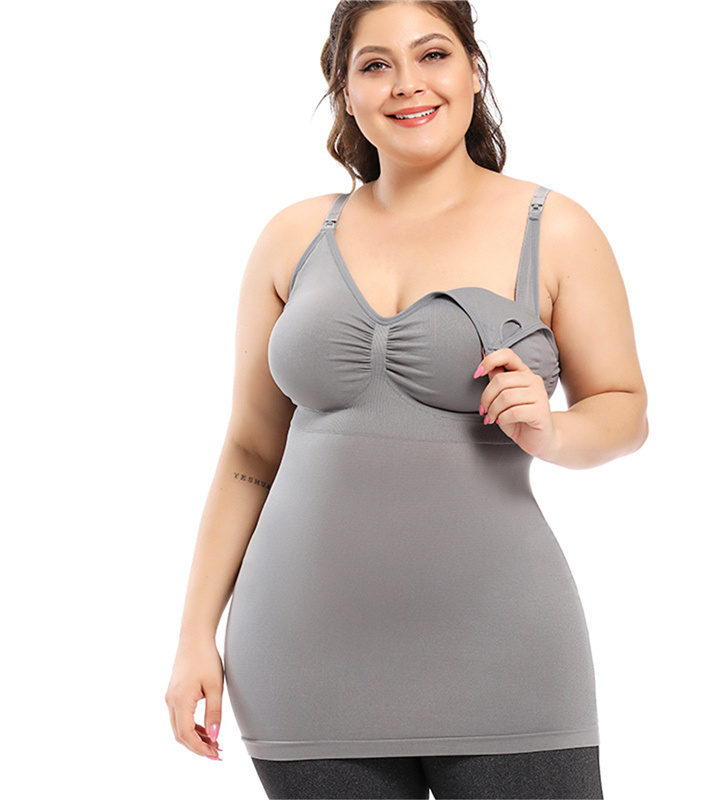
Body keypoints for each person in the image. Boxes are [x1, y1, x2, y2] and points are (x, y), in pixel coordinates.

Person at [165, 1, 648, 797]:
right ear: (344, 90)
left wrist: (553, 431)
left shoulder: (554, 228)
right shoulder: (293, 237)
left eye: (432, 55)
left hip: (506, 649)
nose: (407, 84)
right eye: (375, 65)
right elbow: (250, 450)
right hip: (299, 653)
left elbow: (624, 408)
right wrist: (194, 637)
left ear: (473, 71)